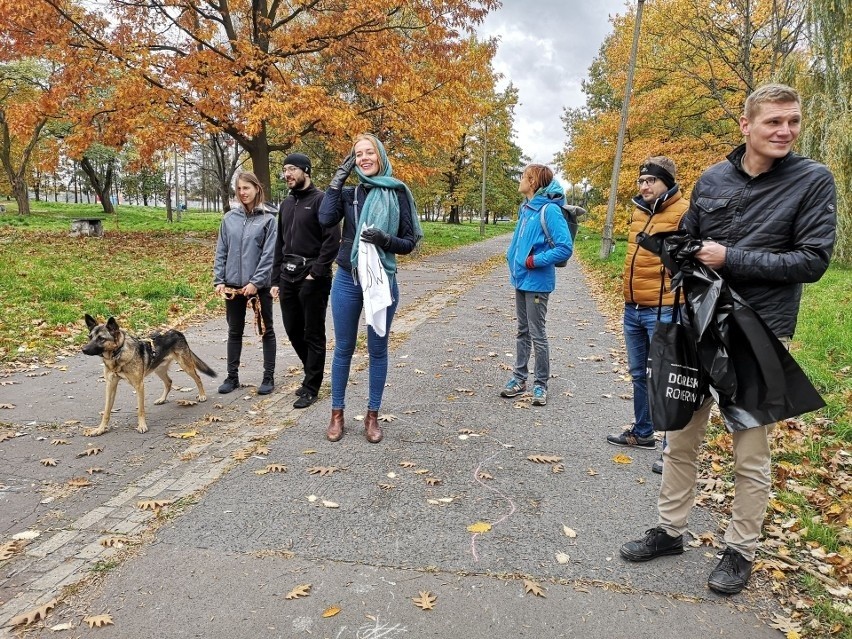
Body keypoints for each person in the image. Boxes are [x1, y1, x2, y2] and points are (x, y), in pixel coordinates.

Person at [620, 84, 836, 595]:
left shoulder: (812, 181)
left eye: (793, 122)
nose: (785, 131)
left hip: (758, 331)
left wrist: (729, 257)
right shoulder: (714, 178)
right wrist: (674, 247)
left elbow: (813, 260)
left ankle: (741, 550)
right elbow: (693, 236)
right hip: (697, 323)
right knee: (681, 435)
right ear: (747, 125)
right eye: (774, 122)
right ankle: (670, 531)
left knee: (750, 450)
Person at [318, 134, 423, 443]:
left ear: (380, 155)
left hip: (381, 280)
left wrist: (383, 240)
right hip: (348, 279)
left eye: (369, 152)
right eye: (358, 154)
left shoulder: (398, 192)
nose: (364, 158)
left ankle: (372, 415)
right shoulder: (350, 193)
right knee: (344, 348)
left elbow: (408, 242)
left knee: (378, 349)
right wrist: (338, 178)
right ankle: (337, 414)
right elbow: (325, 219)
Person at [605, 157, 688, 477]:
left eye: (651, 181)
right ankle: (643, 432)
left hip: (665, 307)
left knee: (667, 378)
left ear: (667, 181)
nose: (644, 186)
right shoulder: (639, 210)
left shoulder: (684, 213)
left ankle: (672, 449)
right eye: (641, 181)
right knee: (639, 373)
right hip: (633, 306)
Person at [271, 153, 340, 409]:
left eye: (291, 169)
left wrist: (316, 272)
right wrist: (275, 279)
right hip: (287, 275)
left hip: (313, 277)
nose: (287, 174)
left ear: (305, 171)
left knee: (313, 333)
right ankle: (311, 373)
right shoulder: (287, 204)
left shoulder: (322, 201)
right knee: (292, 330)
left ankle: (312, 385)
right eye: (284, 170)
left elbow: (332, 240)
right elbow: (279, 242)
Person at [501, 164, 573, 407]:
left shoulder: (549, 210)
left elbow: (565, 248)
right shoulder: (526, 208)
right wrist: (511, 256)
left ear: (533, 182)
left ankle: (540, 384)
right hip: (520, 278)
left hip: (537, 281)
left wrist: (534, 261)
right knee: (523, 330)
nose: (520, 180)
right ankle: (519, 378)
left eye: (524, 177)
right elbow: (519, 239)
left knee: (537, 333)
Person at [213, 171, 278, 395]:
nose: (242, 193)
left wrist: (256, 282)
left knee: (266, 330)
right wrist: (219, 280)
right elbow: (221, 251)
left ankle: (268, 377)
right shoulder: (229, 219)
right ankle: (232, 377)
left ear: (256, 189)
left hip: (259, 286)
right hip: (233, 286)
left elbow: (269, 256)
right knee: (234, 331)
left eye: (246, 188)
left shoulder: (268, 220)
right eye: (239, 189)